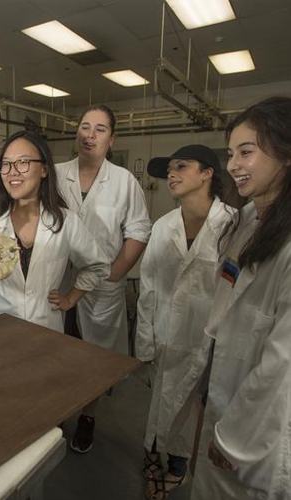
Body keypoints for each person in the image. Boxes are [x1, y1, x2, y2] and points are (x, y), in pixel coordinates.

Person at [188, 96, 291, 499]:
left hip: (257, 434)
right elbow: (225, 308)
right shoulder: (248, 220)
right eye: (231, 153)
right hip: (223, 393)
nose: (233, 165)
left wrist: (235, 438)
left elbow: (282, 368)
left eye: (246, 152)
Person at [135, 145, 234, 499]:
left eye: (181, 167)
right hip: (164, 334)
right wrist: (144, 341)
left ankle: (177, 468)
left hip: (203, 341)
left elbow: (234, 294)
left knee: (190, 410)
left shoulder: (232, 226)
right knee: (159, 403)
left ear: (207, 173)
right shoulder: (163, 226)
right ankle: (153, 457)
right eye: (169, 169)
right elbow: (147, 287)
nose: (171, 175)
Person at [56, 104, 151, 453]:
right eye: (84, 127)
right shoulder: (54, 174)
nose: (89, 135)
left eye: (99, 129)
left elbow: (139, 229)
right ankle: (53, 412)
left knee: (92, 359)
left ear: (112, 139)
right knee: (53, 352)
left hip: (100, 288)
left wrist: (114, 275)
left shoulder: (124, 181)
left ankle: (87, 416)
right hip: (57, 283)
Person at [0, 130, 109, 331]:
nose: (13, 171)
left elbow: (98, 266)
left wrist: (70, 299)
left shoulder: (66, 222)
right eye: (6, 164)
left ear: (44, 169)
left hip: (45, 328)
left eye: (23, 162)